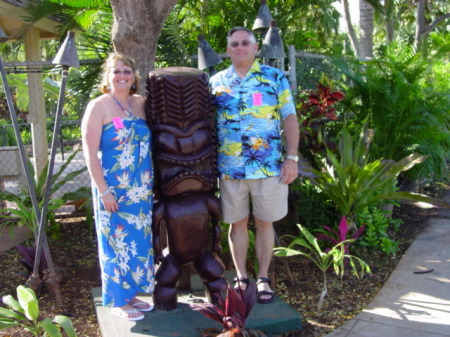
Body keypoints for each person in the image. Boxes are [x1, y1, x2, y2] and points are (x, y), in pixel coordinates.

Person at [209, 27, 299, 304]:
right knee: (236, 224)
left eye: (245, 43)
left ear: (255, 47)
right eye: (234, 44)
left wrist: (292, 158)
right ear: (228, 50)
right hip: (230, 167)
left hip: (268, 167)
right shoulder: (215, 82)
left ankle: (262, 278)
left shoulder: (273, 78)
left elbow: (290, 118)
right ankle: (240, 276)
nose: (239, 48)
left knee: (264, 222)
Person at [81, 52, 155, 321]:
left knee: (137, 243)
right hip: (112, 189)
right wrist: (103, 191)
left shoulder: (142, 104)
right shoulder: (98, 106)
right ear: (108, 77)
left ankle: (132, 295)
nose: (122, 76)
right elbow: (89, 152)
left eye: (126, 71)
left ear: (134, 76)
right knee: (114, 242)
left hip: (141, 189)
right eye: (116, 71)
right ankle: (117, 301)